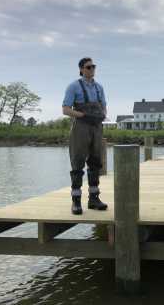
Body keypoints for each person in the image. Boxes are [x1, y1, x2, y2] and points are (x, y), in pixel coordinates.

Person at [62, 57, 108, 215]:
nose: (92, 69)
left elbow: (104, 106)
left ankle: (94, 199)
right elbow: (65, 109)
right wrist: (81, 115)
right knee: (77, 162)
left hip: (96, 127)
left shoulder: (99, 88)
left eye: (93, 66)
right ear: (81, 69)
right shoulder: (73, 86)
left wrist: (102, 115)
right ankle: (76, 201)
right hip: (81, 127)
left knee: (95, 162)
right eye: (88, 67)